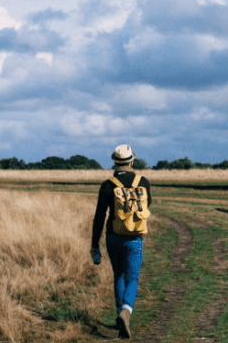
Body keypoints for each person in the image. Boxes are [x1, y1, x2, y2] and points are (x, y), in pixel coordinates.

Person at [91, 144, 152, 339]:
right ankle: (126, 310)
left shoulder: (108, 185)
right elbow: (146, 205)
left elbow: (99, 217)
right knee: (132, 277)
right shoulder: (143, 182)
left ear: (115, 162)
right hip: (135, 237)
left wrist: (94, 244)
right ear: (131, 161)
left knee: (118, 275)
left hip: (113, 236)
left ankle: (120, 314)